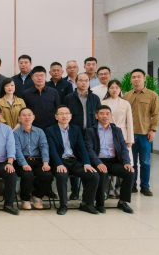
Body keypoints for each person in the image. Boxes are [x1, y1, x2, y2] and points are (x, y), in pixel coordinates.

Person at [45, 105, 100, 215]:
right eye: (61, 114)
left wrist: (87, 163)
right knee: (61, 175)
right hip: (60, 161)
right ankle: (63, 205)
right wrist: (59, 164)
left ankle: (86, 204)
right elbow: (52, 149)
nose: (64, 116)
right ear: (56, 116)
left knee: (93, 175)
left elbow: (82, 147)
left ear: (70, 116)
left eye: (66, 113)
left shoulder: (76, 129)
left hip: (74, 161)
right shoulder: (49, 130)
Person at [85, 106, 135, 214]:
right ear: (96, 116)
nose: (105, 116)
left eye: (107, 114)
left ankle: (123, 202)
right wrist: (98, 163)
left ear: (111, 116)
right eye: (102, 113)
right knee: (102, 173)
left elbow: (123, 147)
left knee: (129, 172)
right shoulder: (90, 131)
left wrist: (127, 162)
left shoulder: (117, 130)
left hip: (114, 161)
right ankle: (100, 203)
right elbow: (89, 149)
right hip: (99, 160)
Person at [123, 68, 159, 196]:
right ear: (131, 80)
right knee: (131, 161)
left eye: (139, 77)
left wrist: (153, 130)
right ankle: (132, 185)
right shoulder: (126, 95)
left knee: (144, 162)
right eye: (133, 77)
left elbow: (156, 114)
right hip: (129, 135)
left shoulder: (152, 95)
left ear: (144, 79)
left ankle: (145, 186)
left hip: (145, 134)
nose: (136, 79)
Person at [63, 72, 100, 200]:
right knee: (75, 160)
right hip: (74, 134)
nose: (84, 83)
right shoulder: (69, 98)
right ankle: (74, 190)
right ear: (76, 82)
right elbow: (65, 116)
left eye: (86, 81)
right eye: (81, 80)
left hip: (90, 134)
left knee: (89, 161)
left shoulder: (95, 98)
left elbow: (98, 116)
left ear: (89, 83)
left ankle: (87, 192)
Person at [13, 108, 53, 210]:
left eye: (29, 115)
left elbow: (44, 147)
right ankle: (25, 199)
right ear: (19, 118)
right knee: (28, 175)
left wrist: (45, 162)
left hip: (37, 160)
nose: (27, 117)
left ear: (33, 117)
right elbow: (17, 150)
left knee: (48, 175)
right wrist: (24, 164)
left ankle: (36, 196)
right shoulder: (15, 133)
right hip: (22, 160)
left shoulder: (40, 131)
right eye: (24, 115)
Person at [101, 79, 134, 198]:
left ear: (120, 89)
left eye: (117, 87)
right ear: (108, 89)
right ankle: (109, 190)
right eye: (112, 87)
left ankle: (120, 190)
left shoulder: (125, 103)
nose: (114, 90)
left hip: (122, 134)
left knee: (124, 163)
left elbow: (129, 122)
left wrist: (130, 139)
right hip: (106, 133)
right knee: (109, 161)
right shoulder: (103, 102)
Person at [22, 66, 60, 130]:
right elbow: (24, 111)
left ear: (46, 77)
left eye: (42, 75)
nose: (39, 78)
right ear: (32, 78)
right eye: (36, 76)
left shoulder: (53, 92)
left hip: (51, 127)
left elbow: (58, 109)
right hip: (33, 127)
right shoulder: (26, 93)